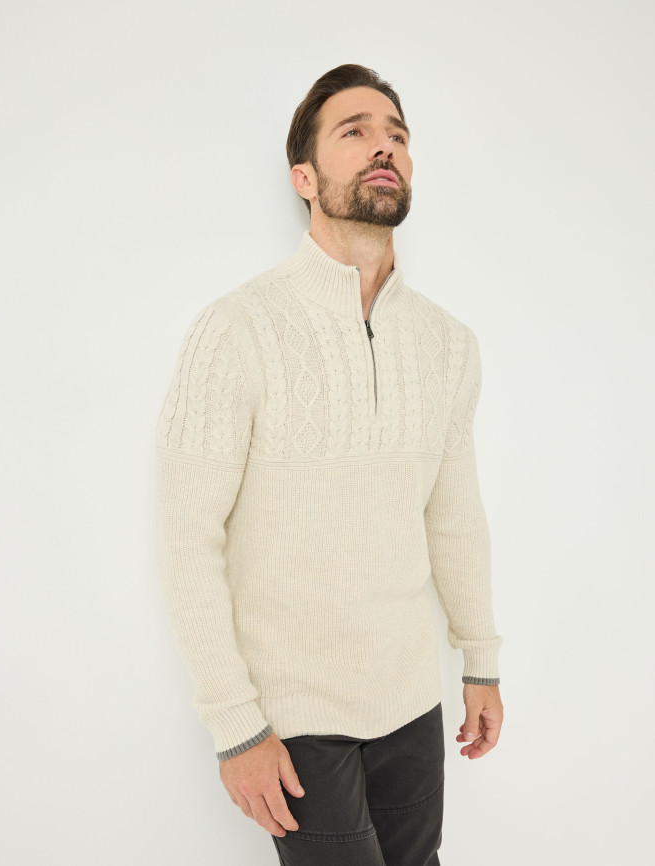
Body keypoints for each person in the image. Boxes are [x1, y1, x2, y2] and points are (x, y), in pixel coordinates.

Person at [154, 63, 504, 866]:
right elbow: (186, 536)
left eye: (397, 135)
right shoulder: (236, 328)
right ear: (304, 177)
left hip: (411, 702)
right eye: (356, 131)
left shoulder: (449, 344)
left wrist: (480, 661)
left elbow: (455, 516)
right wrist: (235, 724)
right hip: (294, 714)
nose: (385, 147)